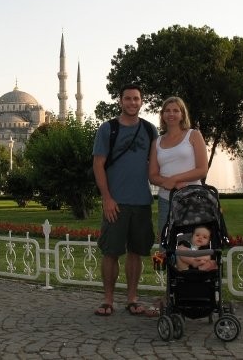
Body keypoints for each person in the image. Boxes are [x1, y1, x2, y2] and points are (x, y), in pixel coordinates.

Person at [92, 83, 158, 316]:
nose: (132, 102)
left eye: (136, 99)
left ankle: (132, 298)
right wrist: (107, 198)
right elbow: (98, 165)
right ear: (120, 101)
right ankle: (108, 300)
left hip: (141, 201)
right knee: (111, 252)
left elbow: (156, 165)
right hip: (116, 202)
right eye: (128, 98)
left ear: (141, 102)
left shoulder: (150, 130)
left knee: (136, 252)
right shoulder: (108, 129)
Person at [148, 96, 209, 237]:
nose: (171, 114)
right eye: (167, 111)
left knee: (192, 245)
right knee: (168, 244)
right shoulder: (156, 142)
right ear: (162, 115)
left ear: (182, 115)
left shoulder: (193, 135)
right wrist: (169, 183)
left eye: (176, 111)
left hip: (192, 198)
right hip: (166, 199)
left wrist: (175, 179)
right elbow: (152, 175)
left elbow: (202, 169)